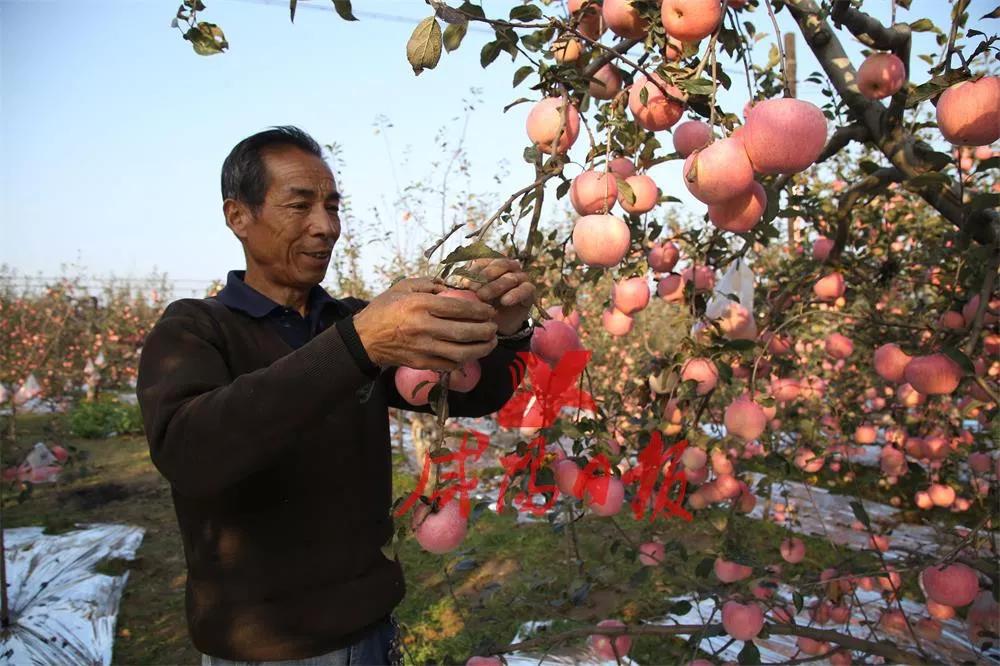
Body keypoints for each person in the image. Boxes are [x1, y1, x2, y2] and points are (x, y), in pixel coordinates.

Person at [135, 126, 536, 665]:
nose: (325, 227)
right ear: (238, 216)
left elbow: (468, 392)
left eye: (331, 206)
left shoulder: (350, 321)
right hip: (267, 649)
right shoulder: (195, 330)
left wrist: (507, 330)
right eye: (299, 206)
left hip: (371, 633)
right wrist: (359, 345)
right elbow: (189, 452)